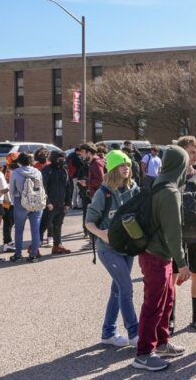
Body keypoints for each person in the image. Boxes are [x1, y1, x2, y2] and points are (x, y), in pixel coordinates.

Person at [133, 145, 191, 372]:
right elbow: (173, 232)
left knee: (165, 301)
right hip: (157, 255)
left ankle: (162, 342)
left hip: (154, 253)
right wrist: (183, 263)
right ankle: (144, 353)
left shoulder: (158, 182)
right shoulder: (170, 191)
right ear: (180, 166)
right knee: (154, 305)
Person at [85, 150, 140, 350]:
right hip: (107, 249)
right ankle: (135, 333)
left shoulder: (134, 189)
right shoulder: (103, 193)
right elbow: (88, 222)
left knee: (117, 290)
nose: (126, 168)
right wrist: (102, 234)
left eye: (128, 165)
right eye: (122, 165)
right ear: (113, 169)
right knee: (126, 288)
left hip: (128, 248)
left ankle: (108, 333)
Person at [169, 136, 196, 334]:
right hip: (174, 237)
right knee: (172, 277)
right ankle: (170, 319)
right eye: (191, 152)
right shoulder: (170, 177)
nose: (195, 155)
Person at [9, 153, 44, 262]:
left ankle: (18, 255)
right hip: (36, 201)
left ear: (19, 162)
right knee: (35, 230)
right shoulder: (37, 172)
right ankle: (33, 255)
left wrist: (14, 202)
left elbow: (12, 190)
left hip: (21, 201)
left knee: (19, 230)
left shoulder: (15, 173)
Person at [41, 150, 73, 255]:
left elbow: (68, 187)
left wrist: (68, 203)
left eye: (63, 159)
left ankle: (57, 246)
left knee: (58, 226)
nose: (62, 161)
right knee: (43, 226)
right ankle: (34, 247)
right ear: (54, 159)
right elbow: (43, 187)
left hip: (61, 205)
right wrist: (47, 202)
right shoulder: (46, 170)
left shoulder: (64, 170)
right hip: (50, 205)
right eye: (60, 159)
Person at [0, 153, 20, 253]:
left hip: (11, 200)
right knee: (8, 222)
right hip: (7, 201)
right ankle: (7, 243)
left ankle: (8, 242)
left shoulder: (5, 169)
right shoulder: (4, 170)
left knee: (10, 222)